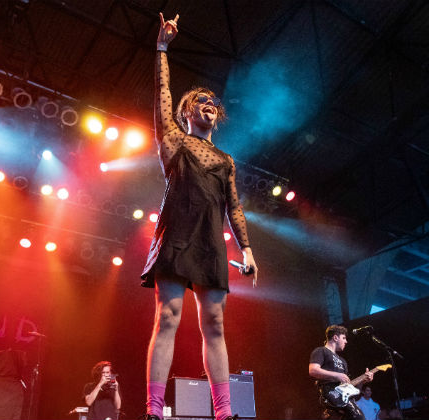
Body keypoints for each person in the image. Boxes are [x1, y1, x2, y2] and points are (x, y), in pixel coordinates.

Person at [140, 12, 258, 420]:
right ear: (188, 111)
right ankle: (154, 410)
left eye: (214, 103)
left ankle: (224, 413)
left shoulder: (226, 160)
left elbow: (234, 206)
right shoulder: (174, 141)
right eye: (201, 102)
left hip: (209, 241)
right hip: (177, 234)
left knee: (215, 324)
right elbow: (162, 93)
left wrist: (247, 248)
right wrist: (162, 47)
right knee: (167, 317)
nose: (209, 106)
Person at [309, 325, 373, 420]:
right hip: (329, 392)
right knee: (359, 417)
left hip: (342, 397)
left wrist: (363, 381)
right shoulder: (321, 351)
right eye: (343, 338)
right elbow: (313, 370)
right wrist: (337, 375)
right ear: (335, 337)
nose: (346, 341)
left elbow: (348, 386)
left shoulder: (343, 361)